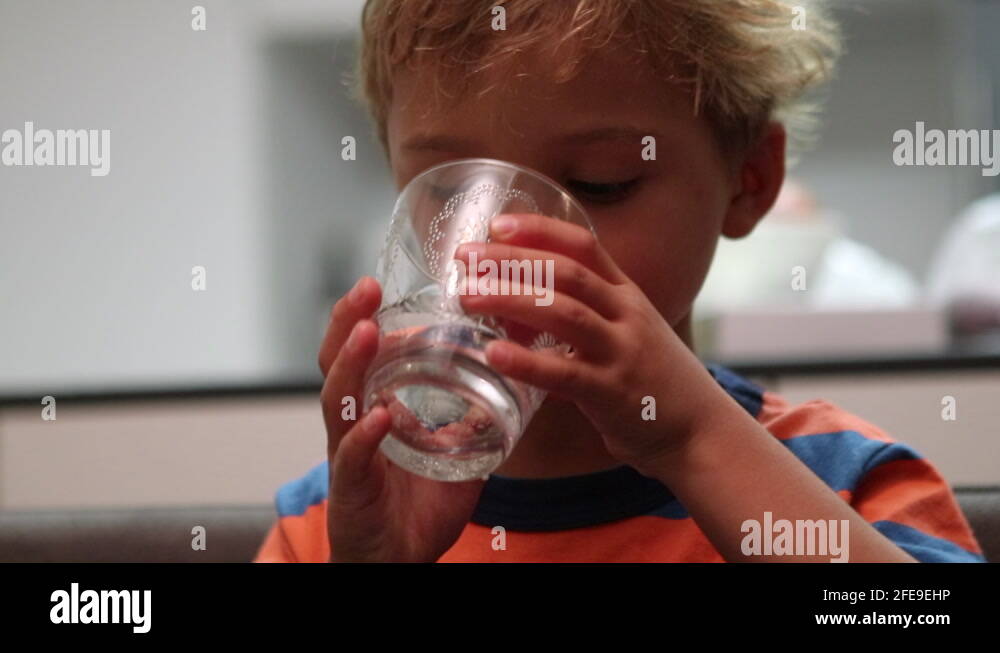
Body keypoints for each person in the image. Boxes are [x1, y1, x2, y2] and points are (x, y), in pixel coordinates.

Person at [253, 0, 984, 563]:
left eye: (601, 184)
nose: (506, 245)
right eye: (452, 193)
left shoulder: (839, 485)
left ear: (749, 181)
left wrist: (694, 439)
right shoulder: (333, 521)